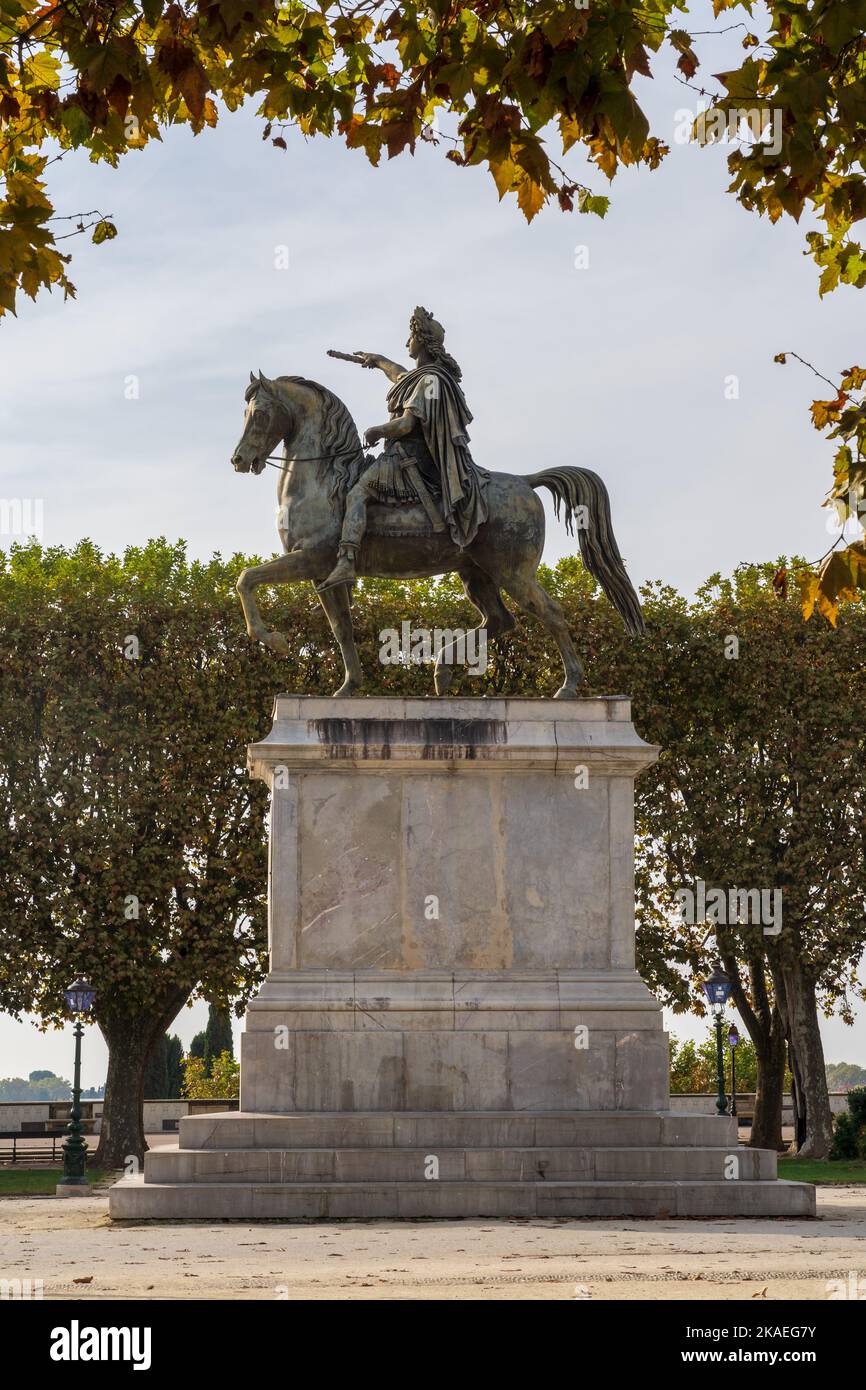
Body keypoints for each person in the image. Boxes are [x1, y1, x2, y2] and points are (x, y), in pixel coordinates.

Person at [319, 307, 488, 590]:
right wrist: (378, 361)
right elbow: (400, 376)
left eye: (410, 337)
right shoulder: (421, 377)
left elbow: (407, 424)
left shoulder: (430, 380)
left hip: (410, 459)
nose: (406, 342)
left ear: (421, 340)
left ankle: (347, 562)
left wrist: (378, 430)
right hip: (404, 455)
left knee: (358, 493)